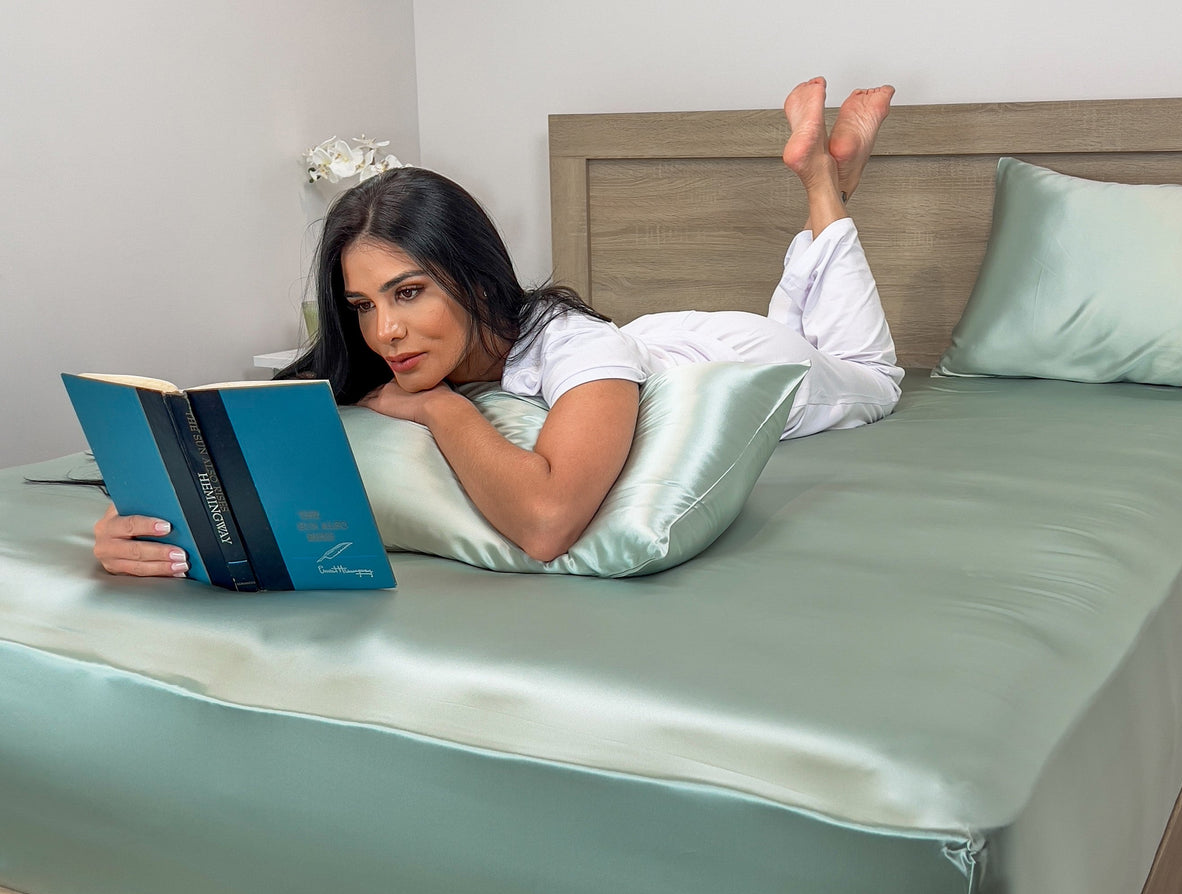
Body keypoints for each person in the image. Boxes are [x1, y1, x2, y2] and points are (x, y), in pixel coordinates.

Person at [93, 77, 900, 575]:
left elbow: (547, 523)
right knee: (805, 313)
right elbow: (225, 446)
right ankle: (830, 179)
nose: (386, 334)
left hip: (731, 353)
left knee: (868, 370)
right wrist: (133, 523)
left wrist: (442, 409)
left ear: (476, 277)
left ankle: (823, 188)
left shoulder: (582, 347)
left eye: (408, 294)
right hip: (656, 338)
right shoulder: (385, 354)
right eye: (364, 305)